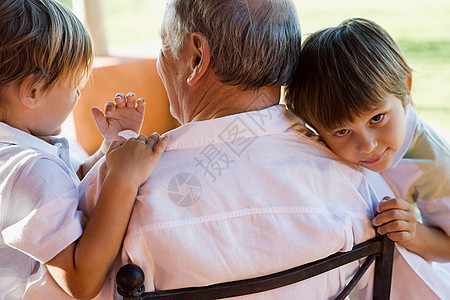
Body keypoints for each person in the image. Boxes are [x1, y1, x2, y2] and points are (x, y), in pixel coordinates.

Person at [81, 1, 449, 299]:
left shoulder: (118, 192)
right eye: (343, 129)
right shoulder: (365, 188)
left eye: (163, 45)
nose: (365, 144)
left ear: (196, 58)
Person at [0, 0, 168, 299]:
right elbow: (81, 279)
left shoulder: (15, 156)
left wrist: (109, 148)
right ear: (33, 91)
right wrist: (123, 178)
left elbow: (66, 187)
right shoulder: (27, 171)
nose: (79, 93)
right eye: (75, 84)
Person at [284, 18, 450, 264]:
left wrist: (414, 234)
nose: (367, 146)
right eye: (342, 131)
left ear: (406, 87)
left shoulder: (433, 163)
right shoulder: (310, 145)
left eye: (377, 118)